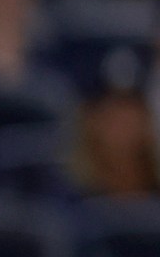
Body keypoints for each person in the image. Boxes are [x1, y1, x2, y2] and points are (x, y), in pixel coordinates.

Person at [65, 45, 160, 199]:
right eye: (111, 113)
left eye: (132, 110)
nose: (123, 124)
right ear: (90, 120)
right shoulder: (68, 198)